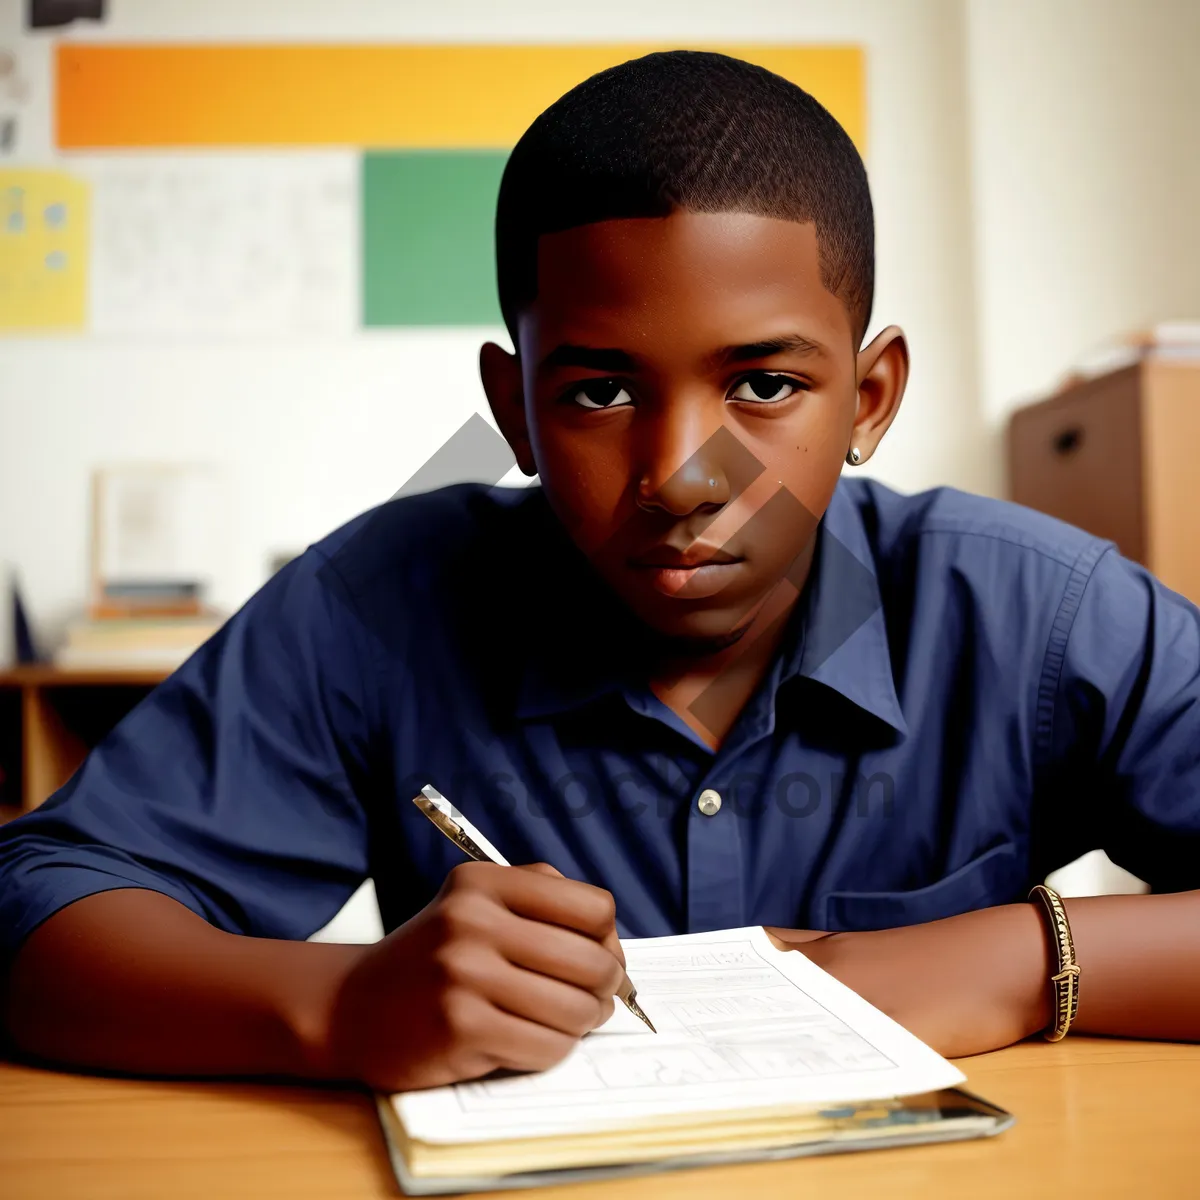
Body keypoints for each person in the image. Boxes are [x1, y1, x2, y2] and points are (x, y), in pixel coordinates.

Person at [2, 51, 1198, 1095]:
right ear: (512, 409)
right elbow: (37, 907)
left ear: (868, 399)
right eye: (601, 392)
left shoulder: (1042, 615)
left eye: (763, 387)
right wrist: (337, 1006)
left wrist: (1020, 959)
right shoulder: (378, 607)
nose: (680, 476)